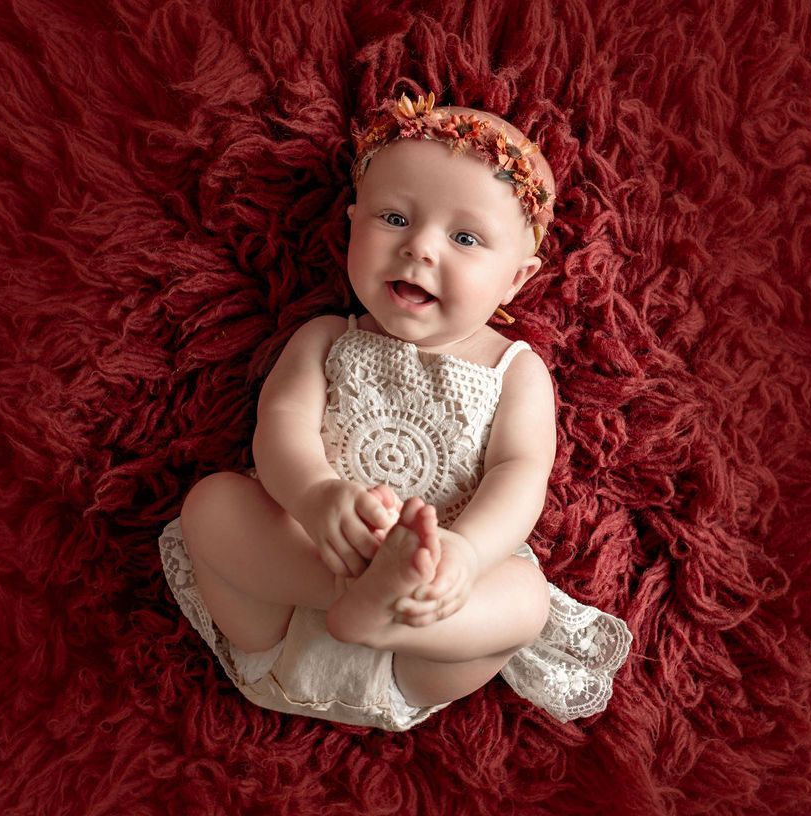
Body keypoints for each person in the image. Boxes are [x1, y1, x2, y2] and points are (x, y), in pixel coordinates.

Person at [158, 90, 632, 731]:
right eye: (394, 219)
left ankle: (389, 600)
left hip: (415, 649)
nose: (421, 249)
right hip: (284, 608)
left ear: (517, 280)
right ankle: (353, 592)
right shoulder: (324, 337)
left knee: (524, 602)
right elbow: (281, 430)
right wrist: (318, 496)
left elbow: (521, 477)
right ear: (352, 223)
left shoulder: (514, 370)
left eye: (464, 236)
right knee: (212, 505)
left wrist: (463, 556)